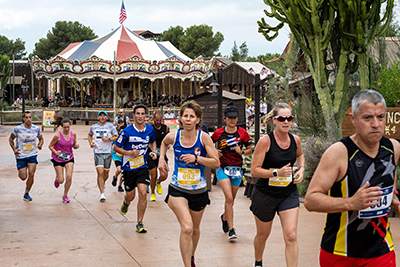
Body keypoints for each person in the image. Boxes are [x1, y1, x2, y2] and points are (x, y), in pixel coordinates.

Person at [304, 90, 400, 267]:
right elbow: (310, 200)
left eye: (380, 117)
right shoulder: (338, 153)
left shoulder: (393, 148)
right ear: (353, 118)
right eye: (367, 118)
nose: (376, 124)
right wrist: (351, 203)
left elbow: (390, 184)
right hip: (340, 253)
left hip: (381, 251)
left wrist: (394, 199)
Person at [158, 100, 220, 267]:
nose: (188, 119)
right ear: (180, 118)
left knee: (195, 229)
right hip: (178, 189)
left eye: (191, 117)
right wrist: (161, 159)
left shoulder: (204, 138)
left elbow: (216, 163)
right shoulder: (175, 136)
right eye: (185, 116)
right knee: (187, 227)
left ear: (198, 120)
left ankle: (191, 256)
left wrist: (197, 158)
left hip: (199, 191)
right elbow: (164, 142)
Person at [250, 103, 305, 267]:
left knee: (291, 236)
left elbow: (300, 155)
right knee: (262, 235)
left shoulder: (295, 140)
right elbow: (254, 170)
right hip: (265, 195)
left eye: (289, 118)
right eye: (282, 118)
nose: (286, 121)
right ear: (274, 120)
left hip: (288, 194)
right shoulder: (265, 142)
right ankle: (258, 262)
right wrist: (276, 173)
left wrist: (301, 169)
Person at [211, 103, 252, 241]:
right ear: (225, 118)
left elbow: (250, 149)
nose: (232, 120)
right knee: (228, 198)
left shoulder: (242, 133)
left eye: (234, 118)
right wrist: (215, 151)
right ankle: (231, 229)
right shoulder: (218, 133)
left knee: (231, 200)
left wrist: (243, 152)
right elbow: (208, 144)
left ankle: (224, 217)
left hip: (237, 169)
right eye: (229, 118)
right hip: (222, 168)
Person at [114, 105, 157, 233]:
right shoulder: (126, 131)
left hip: (142, 166)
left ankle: (139, 222)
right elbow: (116, 147)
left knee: (143, 193)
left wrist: (153, 151)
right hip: (128, 168)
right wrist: (130, 153)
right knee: (131, 196)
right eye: (137, 113)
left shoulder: (150, 129)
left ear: (145, 116)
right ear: (133, 116)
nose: (140, 116)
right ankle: (126, 203)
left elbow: (153, 142)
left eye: (142, 113)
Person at [9, 111, 44, 201]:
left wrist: (40, 144)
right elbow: (11, 138)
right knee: (23, 177)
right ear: (23, 119)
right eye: (26, 117)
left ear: (32, 118)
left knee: (31, 174)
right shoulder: (18, 129)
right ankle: (21, 170)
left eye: (30, 117)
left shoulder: (36, 128)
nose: (28, 119)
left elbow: (41, 138)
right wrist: (14, 149)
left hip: (32, 154)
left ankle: (27, 193)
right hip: (21, 155)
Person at [88, 110, 118, 202]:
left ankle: (103, 183)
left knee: (106, 174)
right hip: (98, 152)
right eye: (100, 116)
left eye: (104, 116)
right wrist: (91, 143)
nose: (102, 117)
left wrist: (108, 139)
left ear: (106, 117)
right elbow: (89, 135)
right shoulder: (94, 127)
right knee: (100, 173)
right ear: (98, 117)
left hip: (108, 152)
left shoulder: (110, 126)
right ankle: (102, 194)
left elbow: (117, 136)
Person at [48, 117, 79, 203]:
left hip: (69, 158)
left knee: (69, 177)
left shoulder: (73, 134)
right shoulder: (57, 136)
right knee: (61, 180)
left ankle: (65, 195)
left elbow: (74, 144)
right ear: (62, 127)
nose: (66, 129)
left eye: (68, 127)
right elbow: (50, 146)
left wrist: (76, 146)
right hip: (58, 159)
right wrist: (56, 151)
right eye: (65, 127)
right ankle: (57, 178)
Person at [147, 111, 170, 202]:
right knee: (153, 175)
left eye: (160, 120)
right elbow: (147, 141)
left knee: (164, 175)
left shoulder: (165, 128)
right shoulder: (150, 128)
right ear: (153, 119)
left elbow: (168, 138)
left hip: (162, 153)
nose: (158, 122)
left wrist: (168, 145)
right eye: (156, 120)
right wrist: (153, 150)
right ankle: (153, 193)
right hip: (152, 153)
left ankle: (158, 182)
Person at [111, 120, 125, 192]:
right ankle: (115, 177)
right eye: (120, 131)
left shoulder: (126, 139)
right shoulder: (116, 138)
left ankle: (120, 185)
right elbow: (111, 144)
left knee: (123, 172)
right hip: (116, 156)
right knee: (119, 170)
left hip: (124, 156)